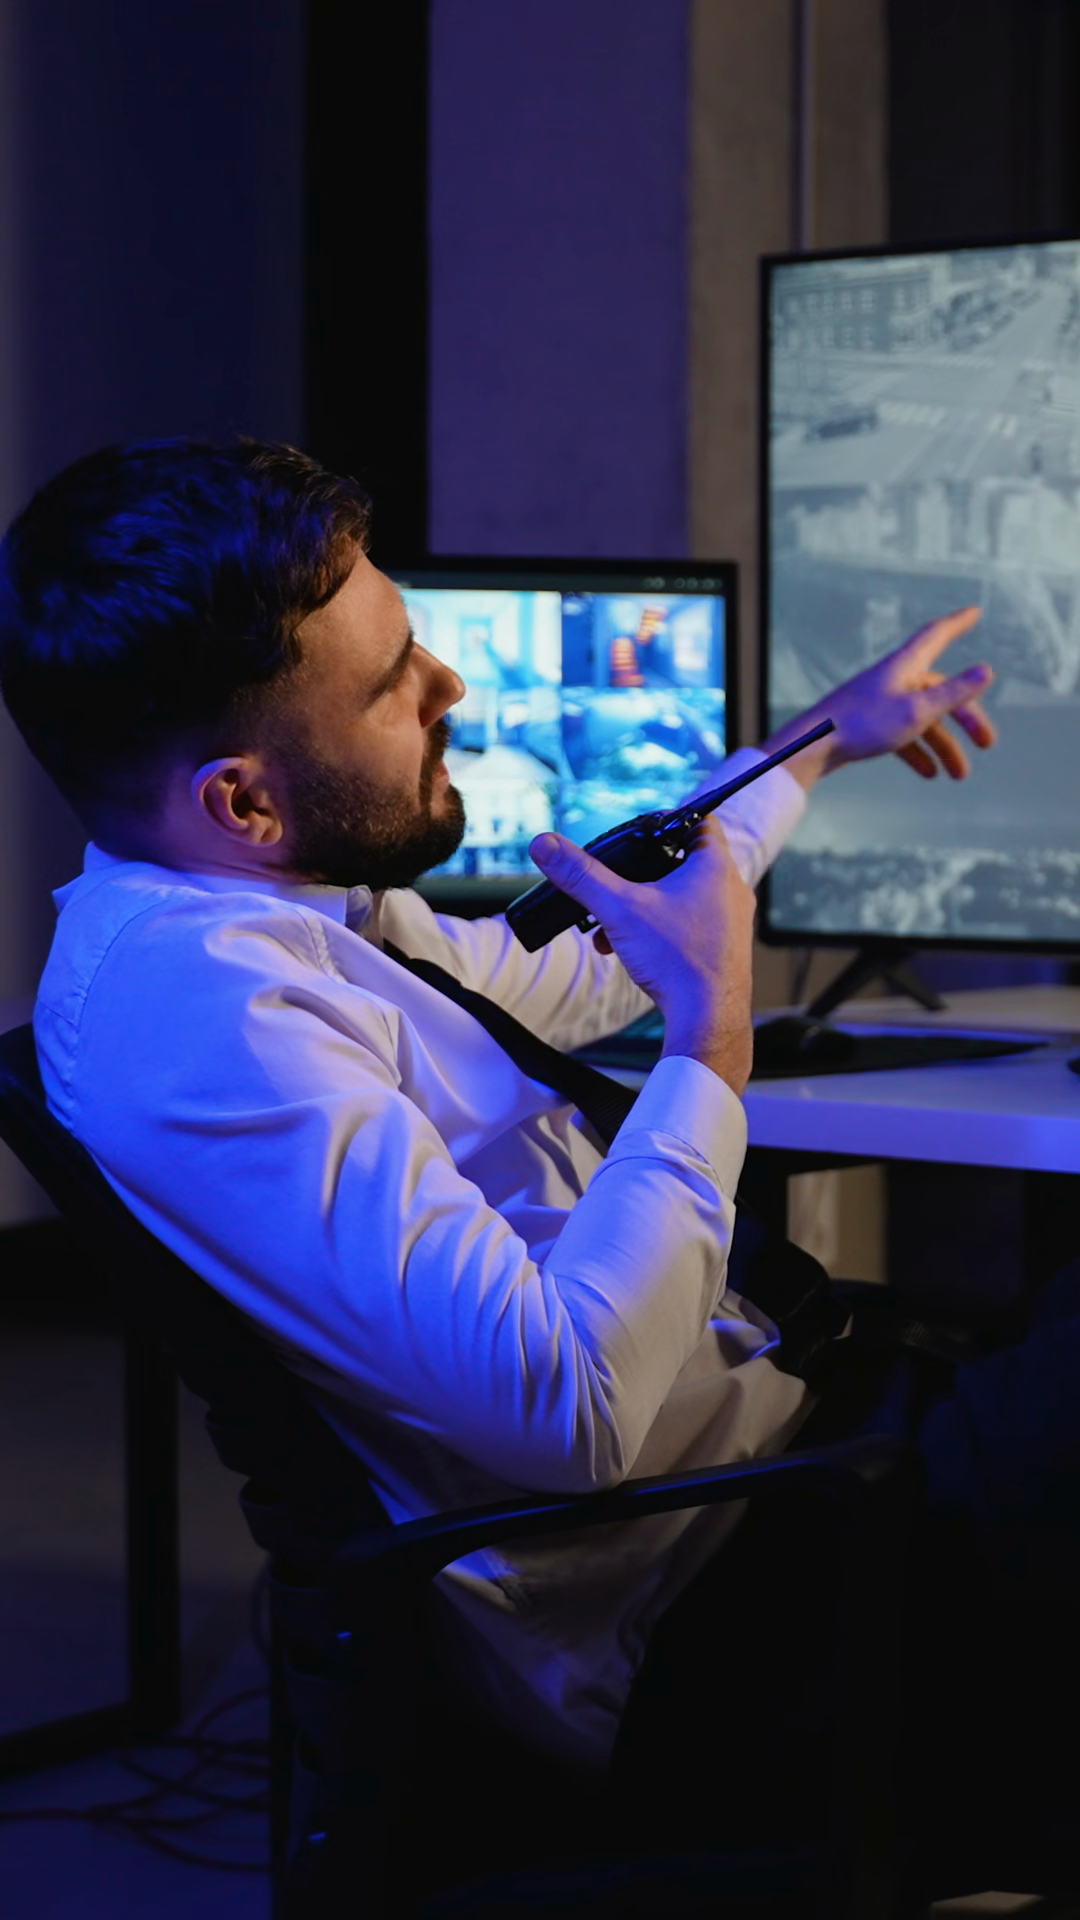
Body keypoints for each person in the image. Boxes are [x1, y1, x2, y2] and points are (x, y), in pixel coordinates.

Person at [1, 440, 1061, 1815]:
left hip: (801, 1457)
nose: (449, 687)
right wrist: (711, 1039)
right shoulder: (203, 1020)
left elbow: (563, 969)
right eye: (394, 681)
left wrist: (814, 746)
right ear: (242, 800)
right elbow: (572, 1415)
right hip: (730, 1602)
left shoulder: (280, 911)